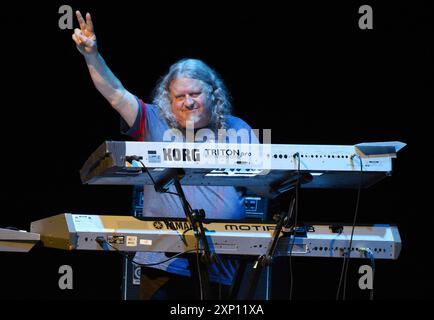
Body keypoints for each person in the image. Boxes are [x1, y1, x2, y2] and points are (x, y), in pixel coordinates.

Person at [72, 11, 259, 300]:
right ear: (168, 99)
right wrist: (92, 54)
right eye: (179, 97)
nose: (188, 102)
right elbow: (114, 93)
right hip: (163, 264)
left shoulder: (238, 128)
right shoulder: (154, 121)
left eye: (195, 93)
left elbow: (265, 183)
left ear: (212, 92)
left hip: (221, 262)